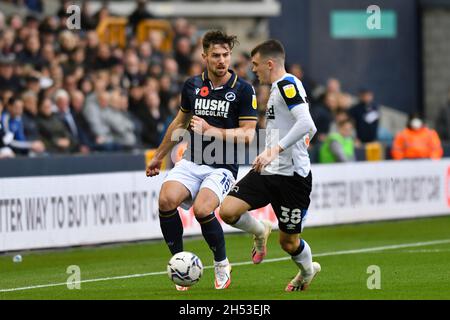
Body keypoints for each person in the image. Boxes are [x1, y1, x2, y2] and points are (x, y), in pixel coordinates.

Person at [146, 30, 258, 291]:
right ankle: (179, 262)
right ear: (204, 56)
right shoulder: (193, 85)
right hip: (192, 160)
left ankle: (221, 263)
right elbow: (180, 122)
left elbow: (248, 135)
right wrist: (159, 156)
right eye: (216, 55)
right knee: (165, 199)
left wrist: (212, 131)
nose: (222, 60)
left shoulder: (243, 90)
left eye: (226, 55)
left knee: (202, 209)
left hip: (222, 165)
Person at [219, 39, 321, 292]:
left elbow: (307, 124)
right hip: (269, 170)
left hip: (293, 178)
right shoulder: (277, 87)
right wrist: (270, 153)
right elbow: (302, 128)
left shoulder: (287, 85)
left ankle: (307, 271)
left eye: (255, 64)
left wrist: (275, 150)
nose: (253, 69)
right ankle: (260, 230)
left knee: (288, 243)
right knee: (228, 211)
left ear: (270, 63)